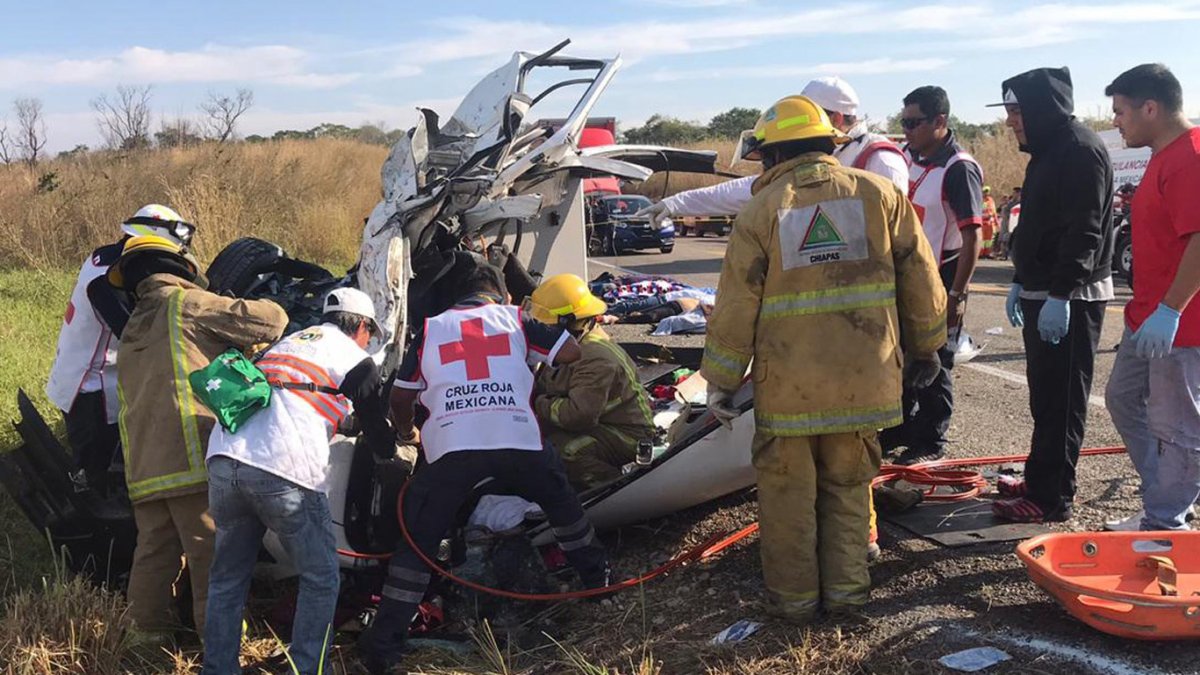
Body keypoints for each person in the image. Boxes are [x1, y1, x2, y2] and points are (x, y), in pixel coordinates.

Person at [701, 95, 946, 624]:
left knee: (788, 499)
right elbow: (922, 280)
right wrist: (927, 348)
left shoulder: (762, 211)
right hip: (865, 383)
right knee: (849, 490)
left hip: (789, 392)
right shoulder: (880, 196)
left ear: (773, 155)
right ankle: (847, 599)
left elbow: (736, 306)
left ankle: (793, 609)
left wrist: (719, 382)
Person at [360, 263, 610, 673]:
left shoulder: (431, 329)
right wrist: (526, 356)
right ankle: (599, 585)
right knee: (563, 507)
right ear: (501, 294)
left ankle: (384, 643)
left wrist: (408, 432)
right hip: (518, 438)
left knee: (419, 541)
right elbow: (572, 351)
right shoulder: (514, 319)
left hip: (452, 446)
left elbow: (401, 400)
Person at [202, 288, 395, 674]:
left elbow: (297, 397)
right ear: (360, 326)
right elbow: (376, 425)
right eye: (369, 333)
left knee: (227, 578)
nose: (368, 341)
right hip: (282, 465)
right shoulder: (353, 356)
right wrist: (392, 448)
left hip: (225, 460)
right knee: (322, 577)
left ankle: (218, 668)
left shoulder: (286, 345)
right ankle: (306, 668)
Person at [113, 234, 289, 642]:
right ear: (180, 267)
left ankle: (144, 638)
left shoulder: (132, 328)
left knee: (154, 553)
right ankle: (224, 642)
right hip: (190, 455)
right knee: (210, 551)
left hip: (145, 467)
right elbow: (272, 320)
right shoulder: (186, 304)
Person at [994, 67, 1115, 523]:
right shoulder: (1047, 151)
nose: (1011, 122)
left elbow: (1084, 231)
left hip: (1070, 298)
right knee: (1045, 397)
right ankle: (1040, 476)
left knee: (1062, 401)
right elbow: (1041, 221)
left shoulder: (1079, 150)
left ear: (1043, 109)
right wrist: (1023, 279)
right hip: (1043, 290)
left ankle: (1051, 498)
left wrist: (1061, 293)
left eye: (1016, 111)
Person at [1102, 63, 1200, 531]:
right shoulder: (1163, 156)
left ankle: (1166, 526)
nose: (1117, 121)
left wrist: (1170, 309)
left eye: (1120, 112)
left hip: (1180, 322)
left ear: (1151, 107)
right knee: (1123, 400)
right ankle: (1163, 498)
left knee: (1176, 428)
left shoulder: (1190, 157)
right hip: (1147, 317)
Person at [45, 204, 196, 493]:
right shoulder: (105, 278)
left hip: (91, 374)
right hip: (89, 385)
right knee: (96, 472)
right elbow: (132, 332)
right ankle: (95, 525)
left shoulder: (108, 256)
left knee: (108, 457)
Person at [635, 76, 909, 225]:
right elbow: (749, 189)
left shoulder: (880, 162)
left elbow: (897, 234)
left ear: (836, 120)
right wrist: (674, 204)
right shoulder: (818, 159)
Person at [881, 85, 985, 466]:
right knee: (900, 356)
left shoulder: (959, 168)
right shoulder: (907, 158)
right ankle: (898, 428)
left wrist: (956, 295)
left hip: (941, 277)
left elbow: (974, 237)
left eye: (913, 122)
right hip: (905, 276)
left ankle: (930, 439)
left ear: (940, 121)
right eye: (903, 121)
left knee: (933, 359)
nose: (906, 130)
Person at [527, 273, 656, 489]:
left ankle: (613, 489)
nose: (542, 332)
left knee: (564, 450)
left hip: (626, 436)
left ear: (567, 323)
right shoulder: (572, 345)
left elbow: (578, 416)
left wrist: (535, 403)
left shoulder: (595, 358)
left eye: (546, 326)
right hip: (602, 424)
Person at [981, 186, 1000, 258]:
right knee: (982, 239)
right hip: (982, 223)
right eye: (985, 192)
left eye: (987, 192)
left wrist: (996, 222)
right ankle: (981, 253)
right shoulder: (980, 200)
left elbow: (994, 212)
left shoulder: (991, 201)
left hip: (990, 223)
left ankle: (987, 253)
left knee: (989, 240)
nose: (986, 193)